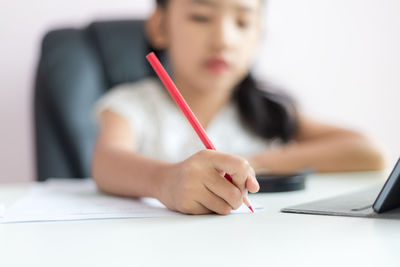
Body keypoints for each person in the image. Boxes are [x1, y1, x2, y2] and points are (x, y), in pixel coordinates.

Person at [92, 0, 385, 215]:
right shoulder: (132, 104)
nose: (224, 40)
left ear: (258, 36)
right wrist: (166, 182)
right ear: (160, 25)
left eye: (243, 23)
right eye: (201, 17)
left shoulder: (266, 111)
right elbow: (107, 162)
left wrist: (255, 163)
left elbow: (367, 152)